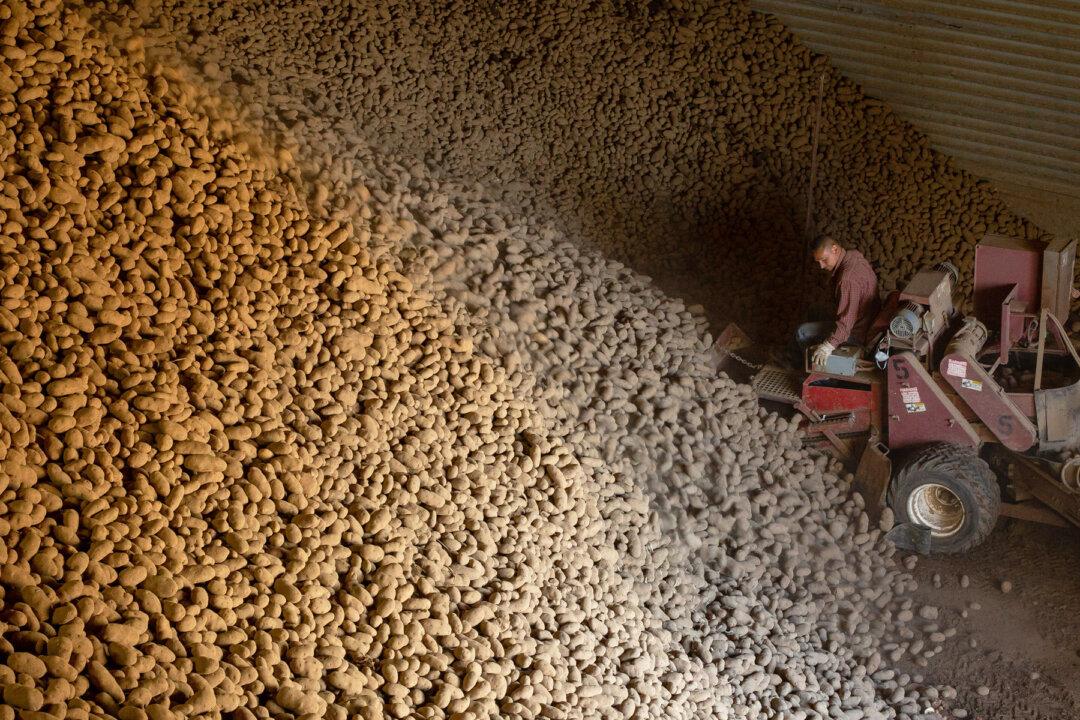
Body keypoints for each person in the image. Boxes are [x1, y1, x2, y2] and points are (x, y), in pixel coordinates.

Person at [796, 236, 881, 369]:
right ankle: (802, 354)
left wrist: (828, 346)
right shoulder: (853, 255)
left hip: (857, 332)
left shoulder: (847, 280)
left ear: (835, 249)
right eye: (818, 261)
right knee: (814, 310)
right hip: (867, 318)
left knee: (802, 331)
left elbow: (846, 325)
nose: (821, 266)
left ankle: (818, 371)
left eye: (824, 260)